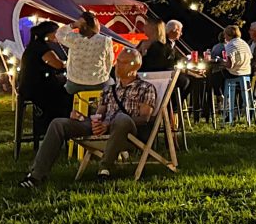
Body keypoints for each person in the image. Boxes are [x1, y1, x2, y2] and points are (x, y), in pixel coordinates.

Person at [21, 47, 160, 185]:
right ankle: (36, 175)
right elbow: (99, 114)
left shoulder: (146, 88)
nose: (118, 66)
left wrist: (109, 124)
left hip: (127, 131)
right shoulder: (109, 89)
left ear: (136, 66)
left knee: (121, 118)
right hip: (104, 127)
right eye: (118, 61)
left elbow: (144, 118)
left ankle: (105, 168)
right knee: (58, 123)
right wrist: (86, 119)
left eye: (124, 62)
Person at [17, 20, 71, 123]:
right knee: (67, 92)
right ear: (49, 33)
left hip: (29, 86)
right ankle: (59, 121)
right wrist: (68, 64)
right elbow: (58, 65)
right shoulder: (41, 47)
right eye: (57, 33)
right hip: (37, 87)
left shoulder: (35, 45)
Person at [62, 10, 115, 95]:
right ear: (96, 23)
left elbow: (59, 34)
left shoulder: (74, 38)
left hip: (74, 83)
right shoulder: (105, 40)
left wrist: (73, 25)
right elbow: (109, 62)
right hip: (98, 83)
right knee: (111, 83)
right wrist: (104, 75)